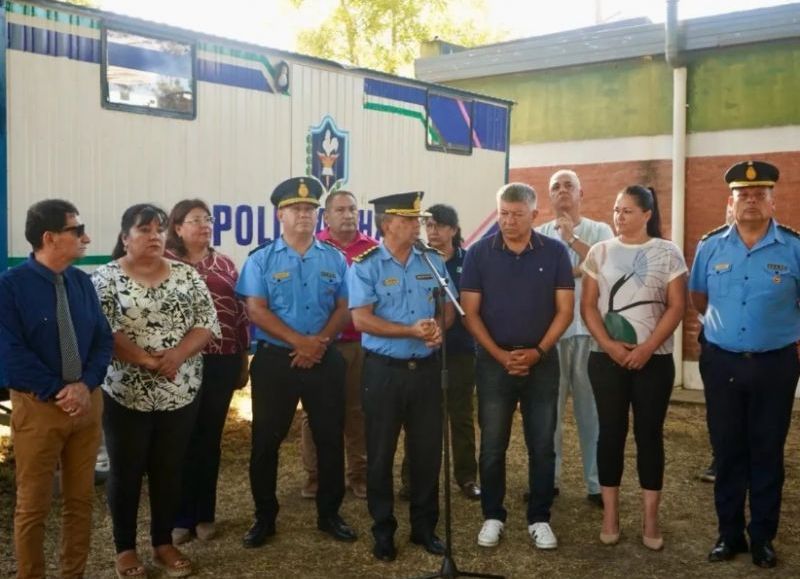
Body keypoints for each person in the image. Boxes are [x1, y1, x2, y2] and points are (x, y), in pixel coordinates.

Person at [92, 204, 219, 579]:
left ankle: (163, 542)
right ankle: (125, 549)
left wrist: (177, 355)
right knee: (126, 472)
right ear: (124, 237)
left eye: (160, 230)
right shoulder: (105, 279)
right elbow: (104, 332)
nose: (154, 236)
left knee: (169, 468)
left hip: (178, 391)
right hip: (125, 393)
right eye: (144, 229)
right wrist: (148, 362)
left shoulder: (187, 275)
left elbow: (206, 324)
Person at [689, 161, 800, 569]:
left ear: (773, 201)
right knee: (728, 450)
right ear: (731, 203)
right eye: (742, 195)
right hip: (722, 364)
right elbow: (698, 299)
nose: (750, 201)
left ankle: (763, 539)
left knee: (768, 451)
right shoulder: (711, 246)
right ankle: (729, 534)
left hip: (775, 365)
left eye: (759, 194)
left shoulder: (794, 247)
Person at [236, 176, 356, 549]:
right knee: (265, 442)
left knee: (329, 439)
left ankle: (329, 514)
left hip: (324, 358)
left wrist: (318, 344)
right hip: (276, 361)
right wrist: (300, 343)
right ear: (280, 215)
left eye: (310, 209)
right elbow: (255, 309)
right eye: (296, 209)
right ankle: (265, 517)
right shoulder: (261, 259)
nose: (304, 214)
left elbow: (343, 306)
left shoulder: (334, 258)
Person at [0, 199, 113, 579]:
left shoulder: (82, 283)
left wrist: (86, 386)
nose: (86, 237)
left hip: (86, 404)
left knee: (80, 500)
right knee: (33, 507)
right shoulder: (10, 287)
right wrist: (60, 391)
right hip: (39, 408)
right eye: (77, 231)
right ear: (49, 237)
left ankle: (72, 574)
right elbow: (9, 352)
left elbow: (102, 340)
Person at [460, 182, 574, 550]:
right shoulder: (478, 254)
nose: (508, 221)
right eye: (503, 214)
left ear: (534, 215)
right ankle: (493, 515)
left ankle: (539, 517)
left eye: (517, 215)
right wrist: (499, 354)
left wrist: (538, 352)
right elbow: (470, 314)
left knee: (542, 444)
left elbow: (565, 311)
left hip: (541, 362)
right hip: (494, 363)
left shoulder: (555, 252)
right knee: (492, 445)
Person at [348, 191, 455, 562]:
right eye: (409, 221)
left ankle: (424, 528)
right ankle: (383, 530)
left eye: (418, 220)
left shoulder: (432, 260)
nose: (417, 226)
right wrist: (410, 331)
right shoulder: (367, 265)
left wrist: (439, 327)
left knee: (426, 453)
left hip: (426, 371)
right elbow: (361, 319)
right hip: (384, 372)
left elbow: (449, 308)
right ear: (386, 224)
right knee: (380, 454)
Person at [580, 185, 687, 550]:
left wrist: (647, 348)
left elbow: (676, 306)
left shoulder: (667, 252)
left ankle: (650, 518)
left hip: (653, 362)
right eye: (615, 209)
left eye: (627, 210)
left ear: (646, 214)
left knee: (649, 436)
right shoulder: (599, 252)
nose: (618, 217)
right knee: (610, 434)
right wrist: (610, 346)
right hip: (606, 361)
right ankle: (610, 514)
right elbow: (589, 306)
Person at [166, 199, 250, 544]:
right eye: (196, 220)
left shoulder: (225, 264)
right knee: (179, 440)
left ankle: (205, 515)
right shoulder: (164, 264)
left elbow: (239, 314)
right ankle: (180, 517)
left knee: (209, 440)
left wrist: (243, 358)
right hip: (179, 363)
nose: (204, 225)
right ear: (178, 227)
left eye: (208, 219)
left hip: (221, 360)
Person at [536, 169, 613, 507]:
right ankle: (548, 481)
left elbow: (606, 266)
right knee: (548, 414)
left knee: (590, 412)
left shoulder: (600, 230)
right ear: (549, 197)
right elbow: (536, 278)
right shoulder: (537, 234)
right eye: (556, 187)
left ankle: (596, 485)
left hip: (589, 334)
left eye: (569, 186)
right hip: (550, 336)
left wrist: (571, 243)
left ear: (582, 193)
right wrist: (580, 269)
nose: (563, 191)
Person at [299, 190, 377, 500]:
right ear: (326, 216)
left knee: (357, 412)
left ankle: (358, 475)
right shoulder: (311, 247)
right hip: (319, 346)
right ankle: (315, 476)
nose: (347, 215)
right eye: (340, 210)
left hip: (358, 346)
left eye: (352, 210)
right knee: (313, 414)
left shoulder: (372, 250)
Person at [697, 200, 734, 485]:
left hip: (767, 354)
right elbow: (698, 297)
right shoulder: (710, 245)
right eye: (733, 204)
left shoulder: (788, 246)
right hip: (718, 347)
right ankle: (720, 460)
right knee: (719, 409)